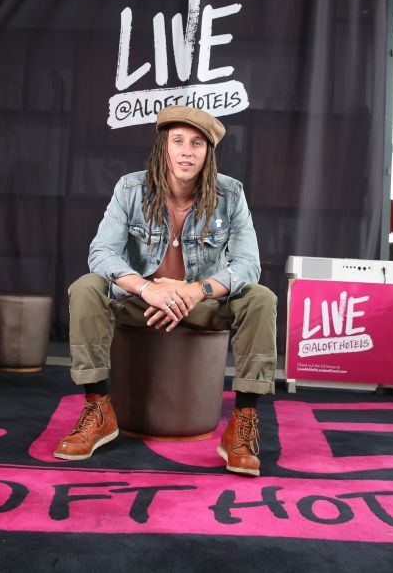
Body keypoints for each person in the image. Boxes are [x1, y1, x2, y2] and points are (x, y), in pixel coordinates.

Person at [55, 105, 277, 477]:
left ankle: (243, 420)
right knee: (87, 286)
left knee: (261, 297)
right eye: (178, 141)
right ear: (164, 147)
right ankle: (97, 407)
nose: (187, 151)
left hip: (202, 303)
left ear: (208, 153)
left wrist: (196, 290)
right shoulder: (130, 188)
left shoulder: (231, 194)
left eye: (197, 143)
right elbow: (101, 253)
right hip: (141, 302)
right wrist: (146, 289)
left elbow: (247, 265)